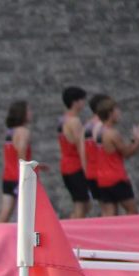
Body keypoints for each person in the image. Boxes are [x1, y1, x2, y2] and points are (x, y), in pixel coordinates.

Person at [94, 97, 139, 216]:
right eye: (117, 110)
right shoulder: (112, 133)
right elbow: (127, 153)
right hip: (116, 177)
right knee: (132, 210)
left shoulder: (98, 131)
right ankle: (131, 234)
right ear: (110, 113)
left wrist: (134, 139)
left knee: (110, 213)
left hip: (102, 178)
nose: (119, 113)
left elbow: (118, 149)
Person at [0, 101, 31, 223]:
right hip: (18, 177)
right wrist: (26, 174)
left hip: (8, 177)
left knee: (5, 214)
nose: (31, 113)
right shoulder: (23, 131)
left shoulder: (10, 132)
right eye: (28, 110)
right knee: (25, 215)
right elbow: (21, 151)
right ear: (23, 114)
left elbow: (13, 154)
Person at [58, 87, 90, 218]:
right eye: (82, 100)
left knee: (83, 204)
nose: (84, 103)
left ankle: (68, 230)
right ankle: (68, 234)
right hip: (75, 166)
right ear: (75, 102)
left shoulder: (62, 120)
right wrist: (86, 169)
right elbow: (80, 146)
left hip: (66, 166)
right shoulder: (74, 121)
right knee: (81, 205)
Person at [83, 93, 109, 203]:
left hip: (91, 171)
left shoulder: (87, 125)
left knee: (105, 208)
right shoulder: (99, 125)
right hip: (102, 172)